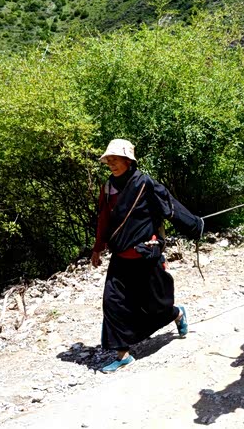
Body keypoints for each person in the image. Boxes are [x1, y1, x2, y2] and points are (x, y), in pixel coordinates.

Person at [91, 139, 204, 373]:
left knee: (156, 305)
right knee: (112, 302)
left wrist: (195, 225)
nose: (111, 164)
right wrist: (97, 248)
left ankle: (176, 313)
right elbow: (104, 219)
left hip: (145, 254)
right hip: (120, 255)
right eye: (108, 160)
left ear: (128, 161)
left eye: (115, 159)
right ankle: (123, 355)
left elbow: (170, 207)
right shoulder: (108, 188)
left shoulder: (144, 183)